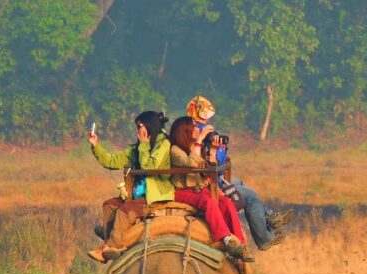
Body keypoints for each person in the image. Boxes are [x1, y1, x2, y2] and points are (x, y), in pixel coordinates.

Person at [186, 96, 293, 251]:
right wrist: (203, 141)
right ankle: (264, 238)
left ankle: (268, 216)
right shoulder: (193, 135)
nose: (204, 123)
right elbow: (196, 162)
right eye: (203, 119)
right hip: (203, 182)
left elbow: (213, 164)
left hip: (210, 177)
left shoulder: (187, 131)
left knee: (238, 182)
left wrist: (215, 149)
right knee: (251, 196)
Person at [86, 111, 174, 262]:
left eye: (140, 126)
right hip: (138, 192)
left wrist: (145, 145)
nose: (137, 130)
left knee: (125, 211)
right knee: (109, 205)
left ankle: (111, 247)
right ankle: (110, 241)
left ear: (149, 127)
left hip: (155, 194)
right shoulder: (138, 148)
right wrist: (96, 146)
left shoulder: (164, 144)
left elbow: (150, 167)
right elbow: (111, 161)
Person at [169, 116, 250, 261]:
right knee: (206, 201)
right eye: (192, 127)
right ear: (184, 131)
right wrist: (199, 140)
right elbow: (191, 163)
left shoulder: (194, 147)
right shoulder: (175, 150)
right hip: (182, 190)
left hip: (198, 188)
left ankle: (241, 245)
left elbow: (207, 168)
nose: (196, 130)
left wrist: (212, 151)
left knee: (226, 202)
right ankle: (225, 238)